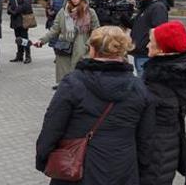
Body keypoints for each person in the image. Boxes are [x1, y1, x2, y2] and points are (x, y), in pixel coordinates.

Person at [35, 26, 154, 184]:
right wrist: (141, 170)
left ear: (92, 49)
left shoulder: (73, 83)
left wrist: (44, 158)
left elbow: (53, 126)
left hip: (77, 168)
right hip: (122, 168)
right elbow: (146, 138)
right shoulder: (140, 88)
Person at [142, 21, 186, 185]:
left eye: (152, 42)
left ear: (162, 50)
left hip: (153, 149)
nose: (148, 45)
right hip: (169, 145)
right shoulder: (183, 71)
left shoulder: (158, 82)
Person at [33, 0, 100, 89]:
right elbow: (54, 29)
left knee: (80, 79)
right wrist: (42, 40)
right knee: (65, 79)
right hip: (64, 47)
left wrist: (88, 45)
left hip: (82, 49)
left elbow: (96, 31)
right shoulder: (63, 12)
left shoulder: (90, 12)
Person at [128, 0, 169, 76]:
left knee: (145, 85)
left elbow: (159, 30)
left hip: (147, 55)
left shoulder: (158, 7)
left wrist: (147, 46)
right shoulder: (146, 7)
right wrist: (122, 15)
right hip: (140, 53)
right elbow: (133, 25)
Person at [8, 0, 34, 64]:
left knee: (24, 37)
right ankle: (19, 55)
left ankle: (28, 55)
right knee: (18, 37)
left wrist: (15, 10)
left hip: (23, 18)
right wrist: (10, 10)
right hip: (15, 19)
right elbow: (10, 3)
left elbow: (26, 5)